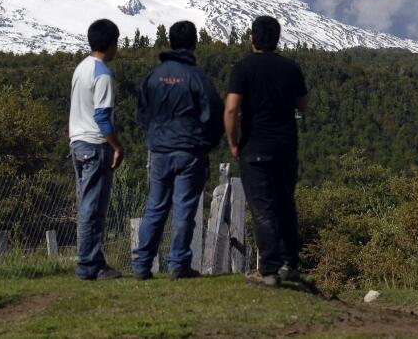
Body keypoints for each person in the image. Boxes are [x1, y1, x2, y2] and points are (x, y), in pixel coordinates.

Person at [132, 21, 224, 280]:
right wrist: (207, 144)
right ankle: (178, 264)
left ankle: (141, 265)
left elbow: (141, 111)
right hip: (189, 150)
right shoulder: (196, 77)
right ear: (195, 43)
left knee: (155, 207)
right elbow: (213, 114)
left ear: (169, 43)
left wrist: (153, 136)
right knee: (184, 207)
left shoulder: (154, 75)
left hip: (160, 150)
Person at [224, 15, 308, 287]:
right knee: (286, 204)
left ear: (252, 38)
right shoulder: (291, 68)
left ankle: (268, 269)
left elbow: (232, 109)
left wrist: (233, 142)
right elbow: (303, 105)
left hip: (255, 147)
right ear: (277, 38)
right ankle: (290, 263)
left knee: (263, 209)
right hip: (285, 147)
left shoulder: (243, 69)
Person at [69, 18, 124, 281]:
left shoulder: (81, 68)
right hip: (95, 143)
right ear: (113, 43)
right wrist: (116, 146)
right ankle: (88, 265)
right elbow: (102, 116)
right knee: (93, 208)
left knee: (86, 205)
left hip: (77, 142)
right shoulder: (102, 73)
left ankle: (94, 260)